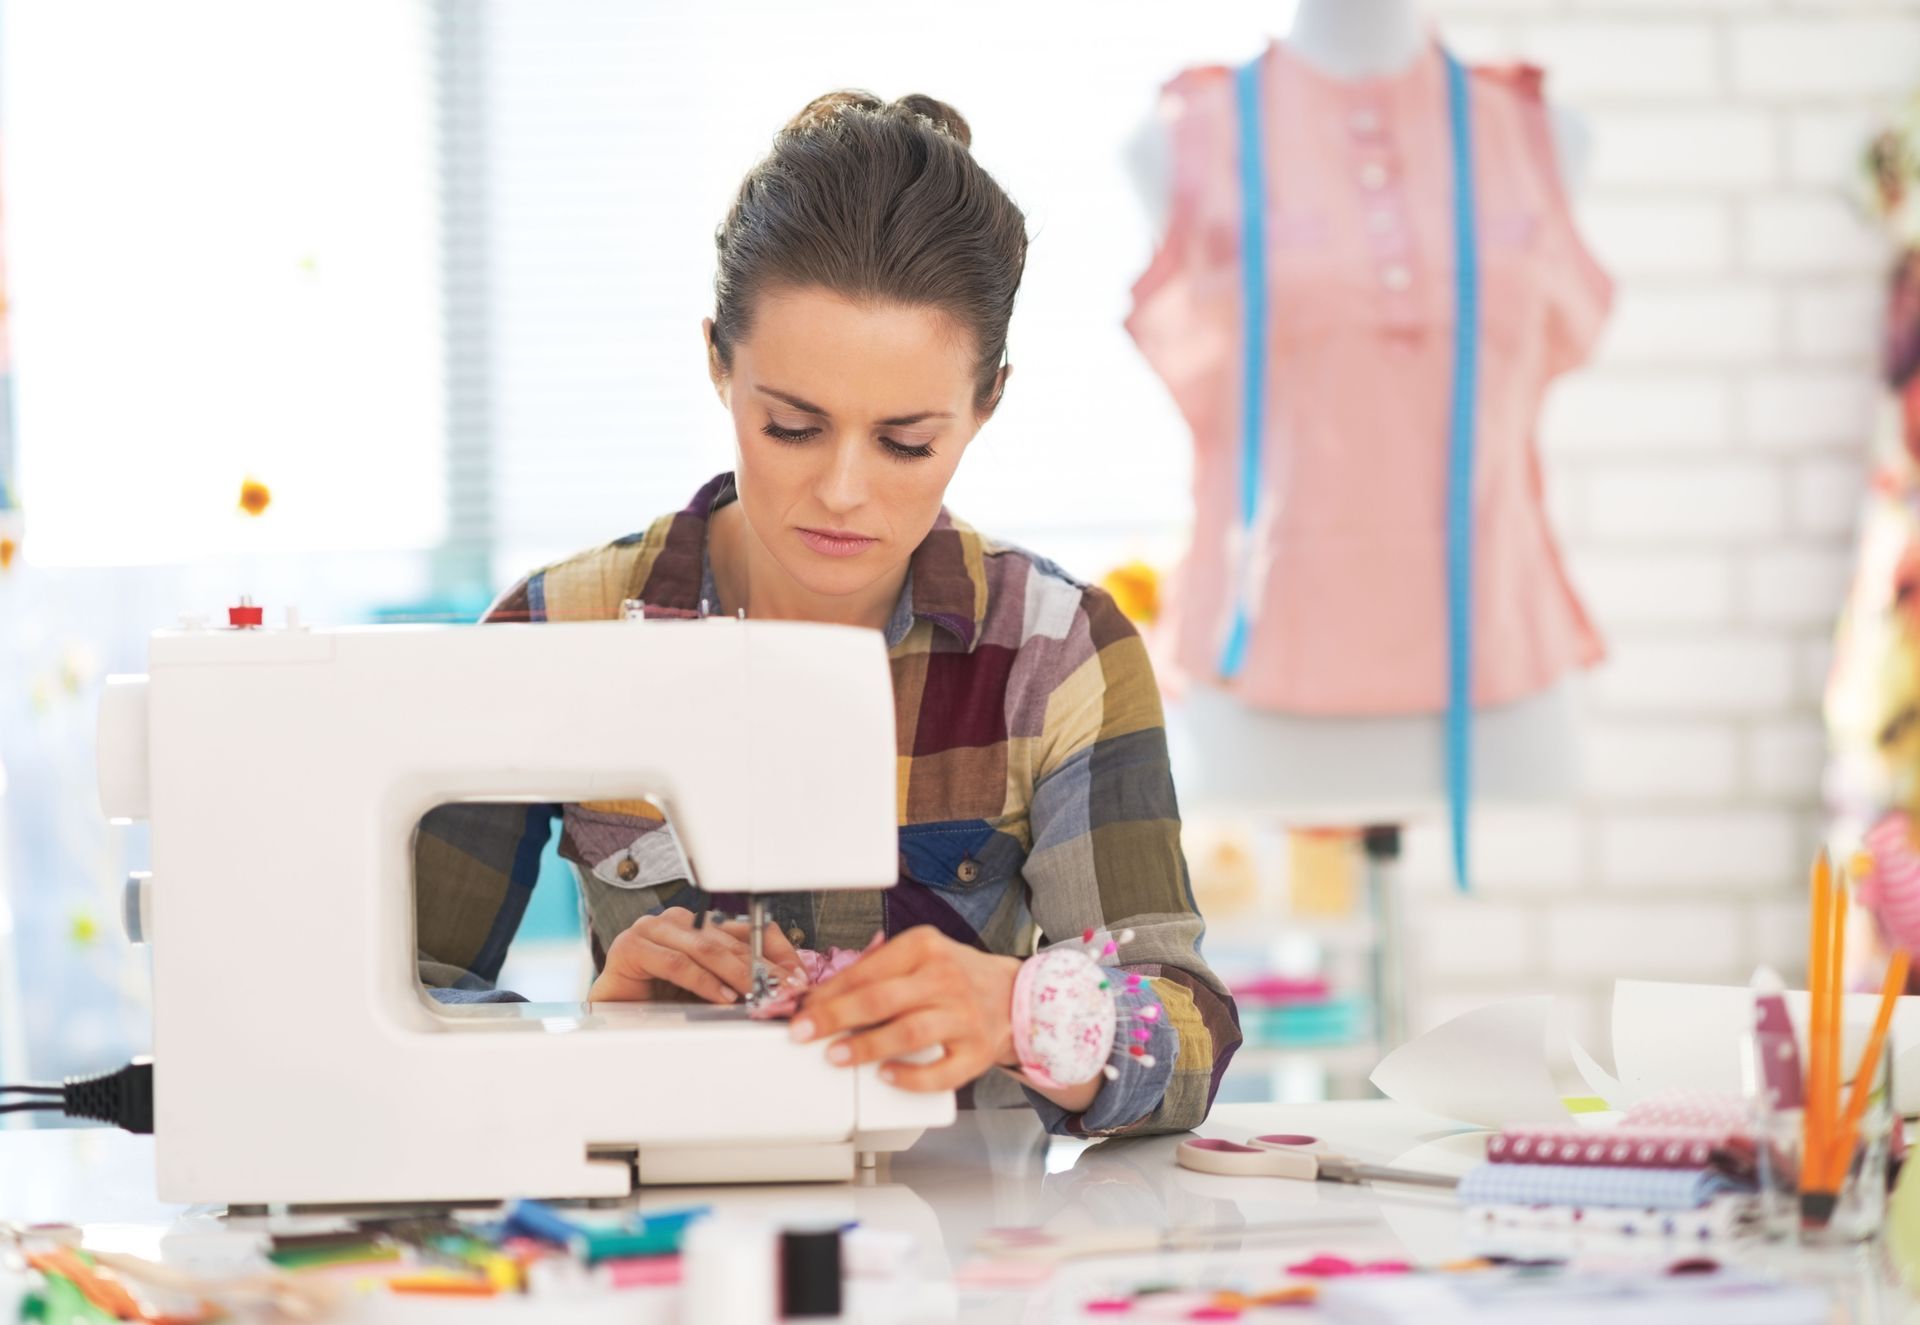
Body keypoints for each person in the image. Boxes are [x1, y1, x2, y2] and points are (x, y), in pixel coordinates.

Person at [414, 89, 1240, 1138]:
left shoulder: (1057, 657)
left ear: (987, 403)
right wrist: (596, 1044)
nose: (845, 489)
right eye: (793, 426)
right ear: (719, 360)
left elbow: (1191, 1026)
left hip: (968, 1261)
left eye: (905, 442)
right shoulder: (558, 633)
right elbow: (404, 1001)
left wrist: (1028, 1012)